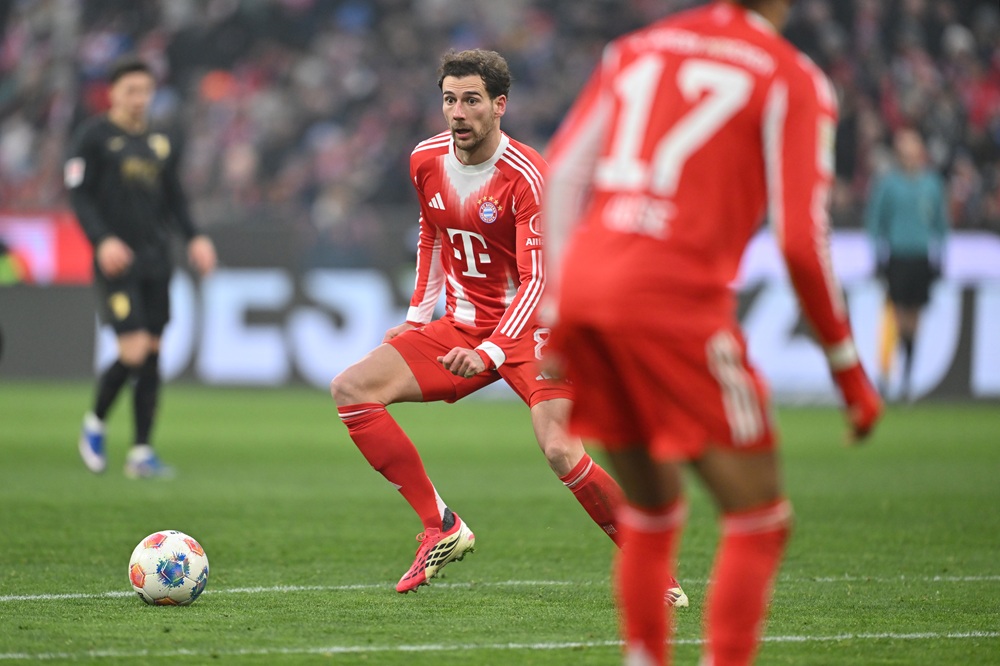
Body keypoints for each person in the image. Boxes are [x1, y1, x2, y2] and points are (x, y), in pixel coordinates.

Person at [543, 2, 883, 664]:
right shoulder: (793, 78)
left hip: (588, 288)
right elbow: (799, 240)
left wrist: (559, 303)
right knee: (759, 518)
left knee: (650, 512)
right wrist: (847, 369)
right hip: (672, 298)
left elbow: (563, 175)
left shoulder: (638, 46)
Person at [330, 48, 686, 603]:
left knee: (560, 448)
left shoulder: (528, 176)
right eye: (449, 100)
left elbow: (538, 281)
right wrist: (416, 319)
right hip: (463, 325)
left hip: (535, 331)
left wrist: (493, 352)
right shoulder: (425, 159)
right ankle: (441, 525)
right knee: (352, 390)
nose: (457, 113)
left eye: (471, 100)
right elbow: (432, 233)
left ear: (499, 105)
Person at [66, 56, 217, 479]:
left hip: (156, 260)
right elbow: (79, 196)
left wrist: (196, 237)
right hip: (117, 262)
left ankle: (141, 451)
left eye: (145, 91)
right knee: (132, 350)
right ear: (112, 93)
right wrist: (102, 240)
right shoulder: (93, 137)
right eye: (130, 90)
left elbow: (176, 199)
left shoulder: (160, 140)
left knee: (150, 354)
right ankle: (95, 423)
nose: (138, 99)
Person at [866, 127, 949, 400]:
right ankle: (887, 374)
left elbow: (940, 224)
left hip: (921, 257)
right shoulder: (889, 184)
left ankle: (907, 379)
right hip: (898, 256)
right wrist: (878, 254)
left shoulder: (931, 184)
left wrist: (940, 256)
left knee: (914, 318)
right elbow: (875, 221)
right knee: (896, 314)